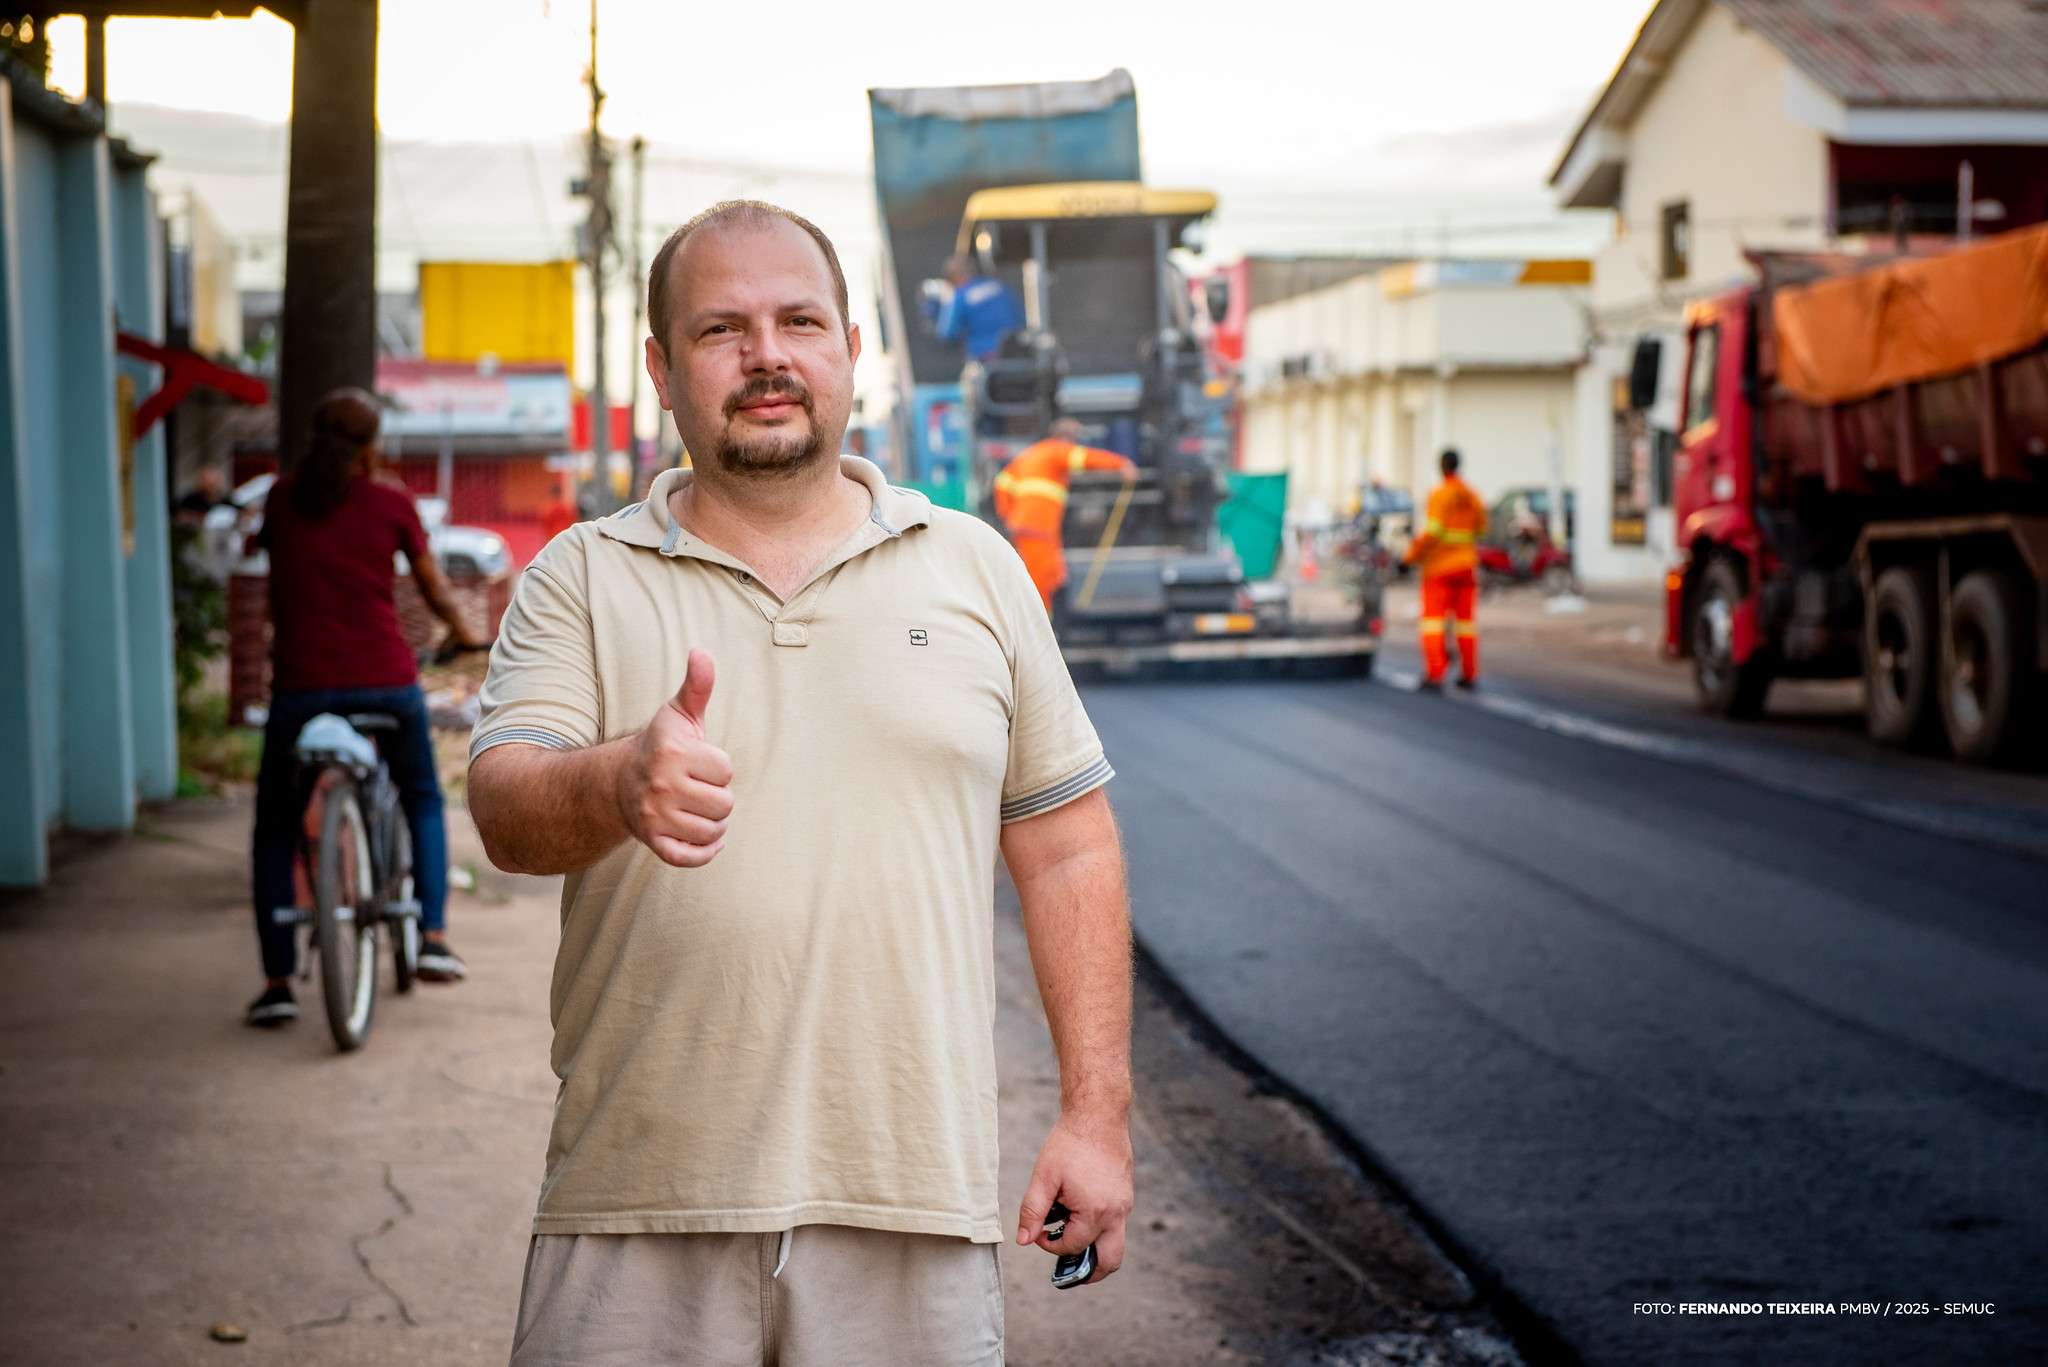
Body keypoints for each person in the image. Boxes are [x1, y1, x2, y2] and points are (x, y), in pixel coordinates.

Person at [466, 201, 1133, 1367]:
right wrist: (619, 778)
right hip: (636, 1205)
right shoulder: (580, 576)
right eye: (722, 328)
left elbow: (1066, 842)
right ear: (662, 371)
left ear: (850, 349)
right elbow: (506, 808)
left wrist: (1095, 1114)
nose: (767, 353)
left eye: (798, 320)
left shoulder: (974, 566)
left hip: (909, 1206)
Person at [244, 390, 486, 1027]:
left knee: (275, 828)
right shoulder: (390, 501)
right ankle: (432, 939)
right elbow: (432, 585)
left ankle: (275, 984)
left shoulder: (279, 499)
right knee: (422, 797)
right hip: (385, 681)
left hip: (300, 689)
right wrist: (462, 631)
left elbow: (276, 581)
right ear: (372, 445)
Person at [994, 417, 1138, 612]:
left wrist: (1009, 515)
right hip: (1038, 528)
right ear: (1070, 438)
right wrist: (1121, 464)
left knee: (1053, 574)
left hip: (1030, 527)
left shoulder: (1032, 454)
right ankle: (1039, 631)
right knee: (1040, 581)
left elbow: (1001, 484)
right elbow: (1086, 458)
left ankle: (1045, 627)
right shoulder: (1057, 450)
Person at [1404, 447, 1488, 690]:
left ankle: (1436, 674)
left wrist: (1410, 557)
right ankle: (1469, 674)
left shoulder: (1439, 494)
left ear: (1442, 466)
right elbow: (1481, 529)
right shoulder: (1472, 495)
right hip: (1466, 566)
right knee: (1466, 624)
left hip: (1439, 568)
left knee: (1433, 623)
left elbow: (1432, 533)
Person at [934, 253, 1024, 361]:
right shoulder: (999, 286)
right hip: (1015, 353)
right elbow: (1021, 315)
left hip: (983, 357)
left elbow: (947, 333)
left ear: (953, 277)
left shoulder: (958, 296)